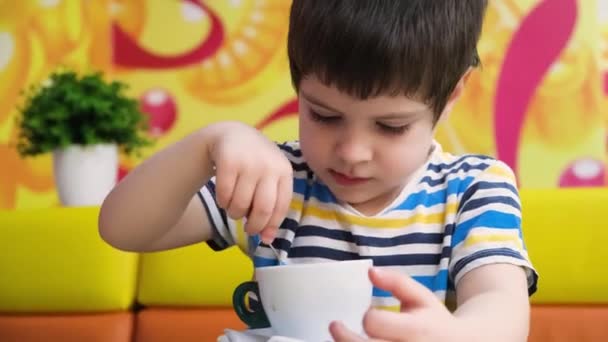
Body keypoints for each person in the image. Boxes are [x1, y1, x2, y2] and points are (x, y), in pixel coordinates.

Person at [99, 1, 538, 340]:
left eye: (391, 126)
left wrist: (459, 334)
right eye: (324, 116)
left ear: (451, 94)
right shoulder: (276, 180)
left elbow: (501, 305)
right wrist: (208, 145)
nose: (351, 152)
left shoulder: (473, 189)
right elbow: (123, 228)